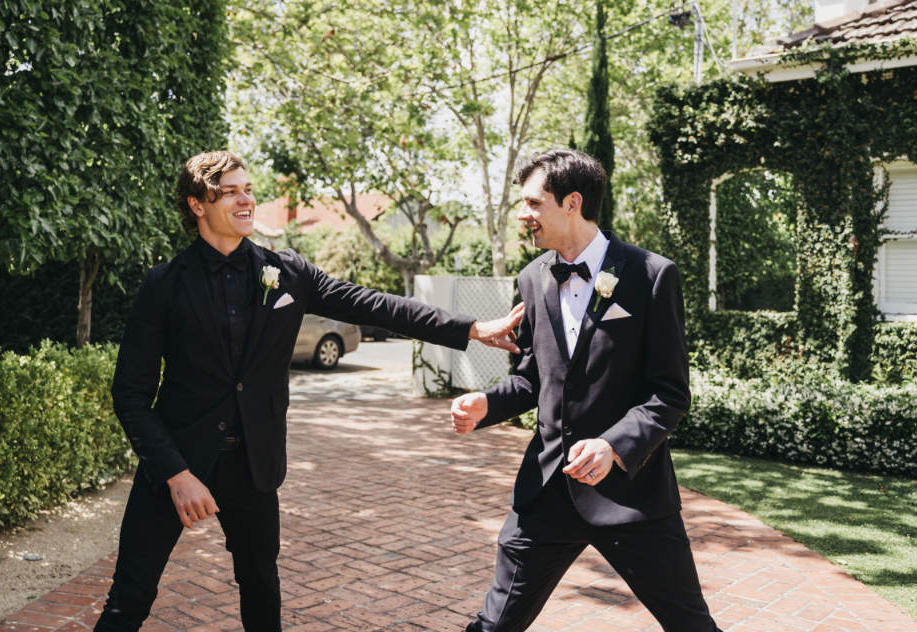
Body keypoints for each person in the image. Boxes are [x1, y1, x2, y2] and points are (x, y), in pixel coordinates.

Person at [95, 150, 523, 632]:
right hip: (177, 459)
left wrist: (471, 329)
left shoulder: (288, 272)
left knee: (261, 591)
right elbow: (130, 394)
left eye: (249, 189)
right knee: (129, 597)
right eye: (231, 191)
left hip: (253, 465)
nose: (246, 199)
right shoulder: (164, 285)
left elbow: (377, 306)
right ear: (198, 205)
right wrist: (176, 474)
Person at [450, 148, 722, 632]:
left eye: (534, 203)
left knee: (691, 626)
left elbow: (670, 392)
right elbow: (533, 377)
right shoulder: (532, 279)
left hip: (632, 497)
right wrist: (486, 404)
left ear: (572, 202)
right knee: (492, 626)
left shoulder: (652, 275)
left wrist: (614, 445)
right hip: (547, 491)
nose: (523, 214)